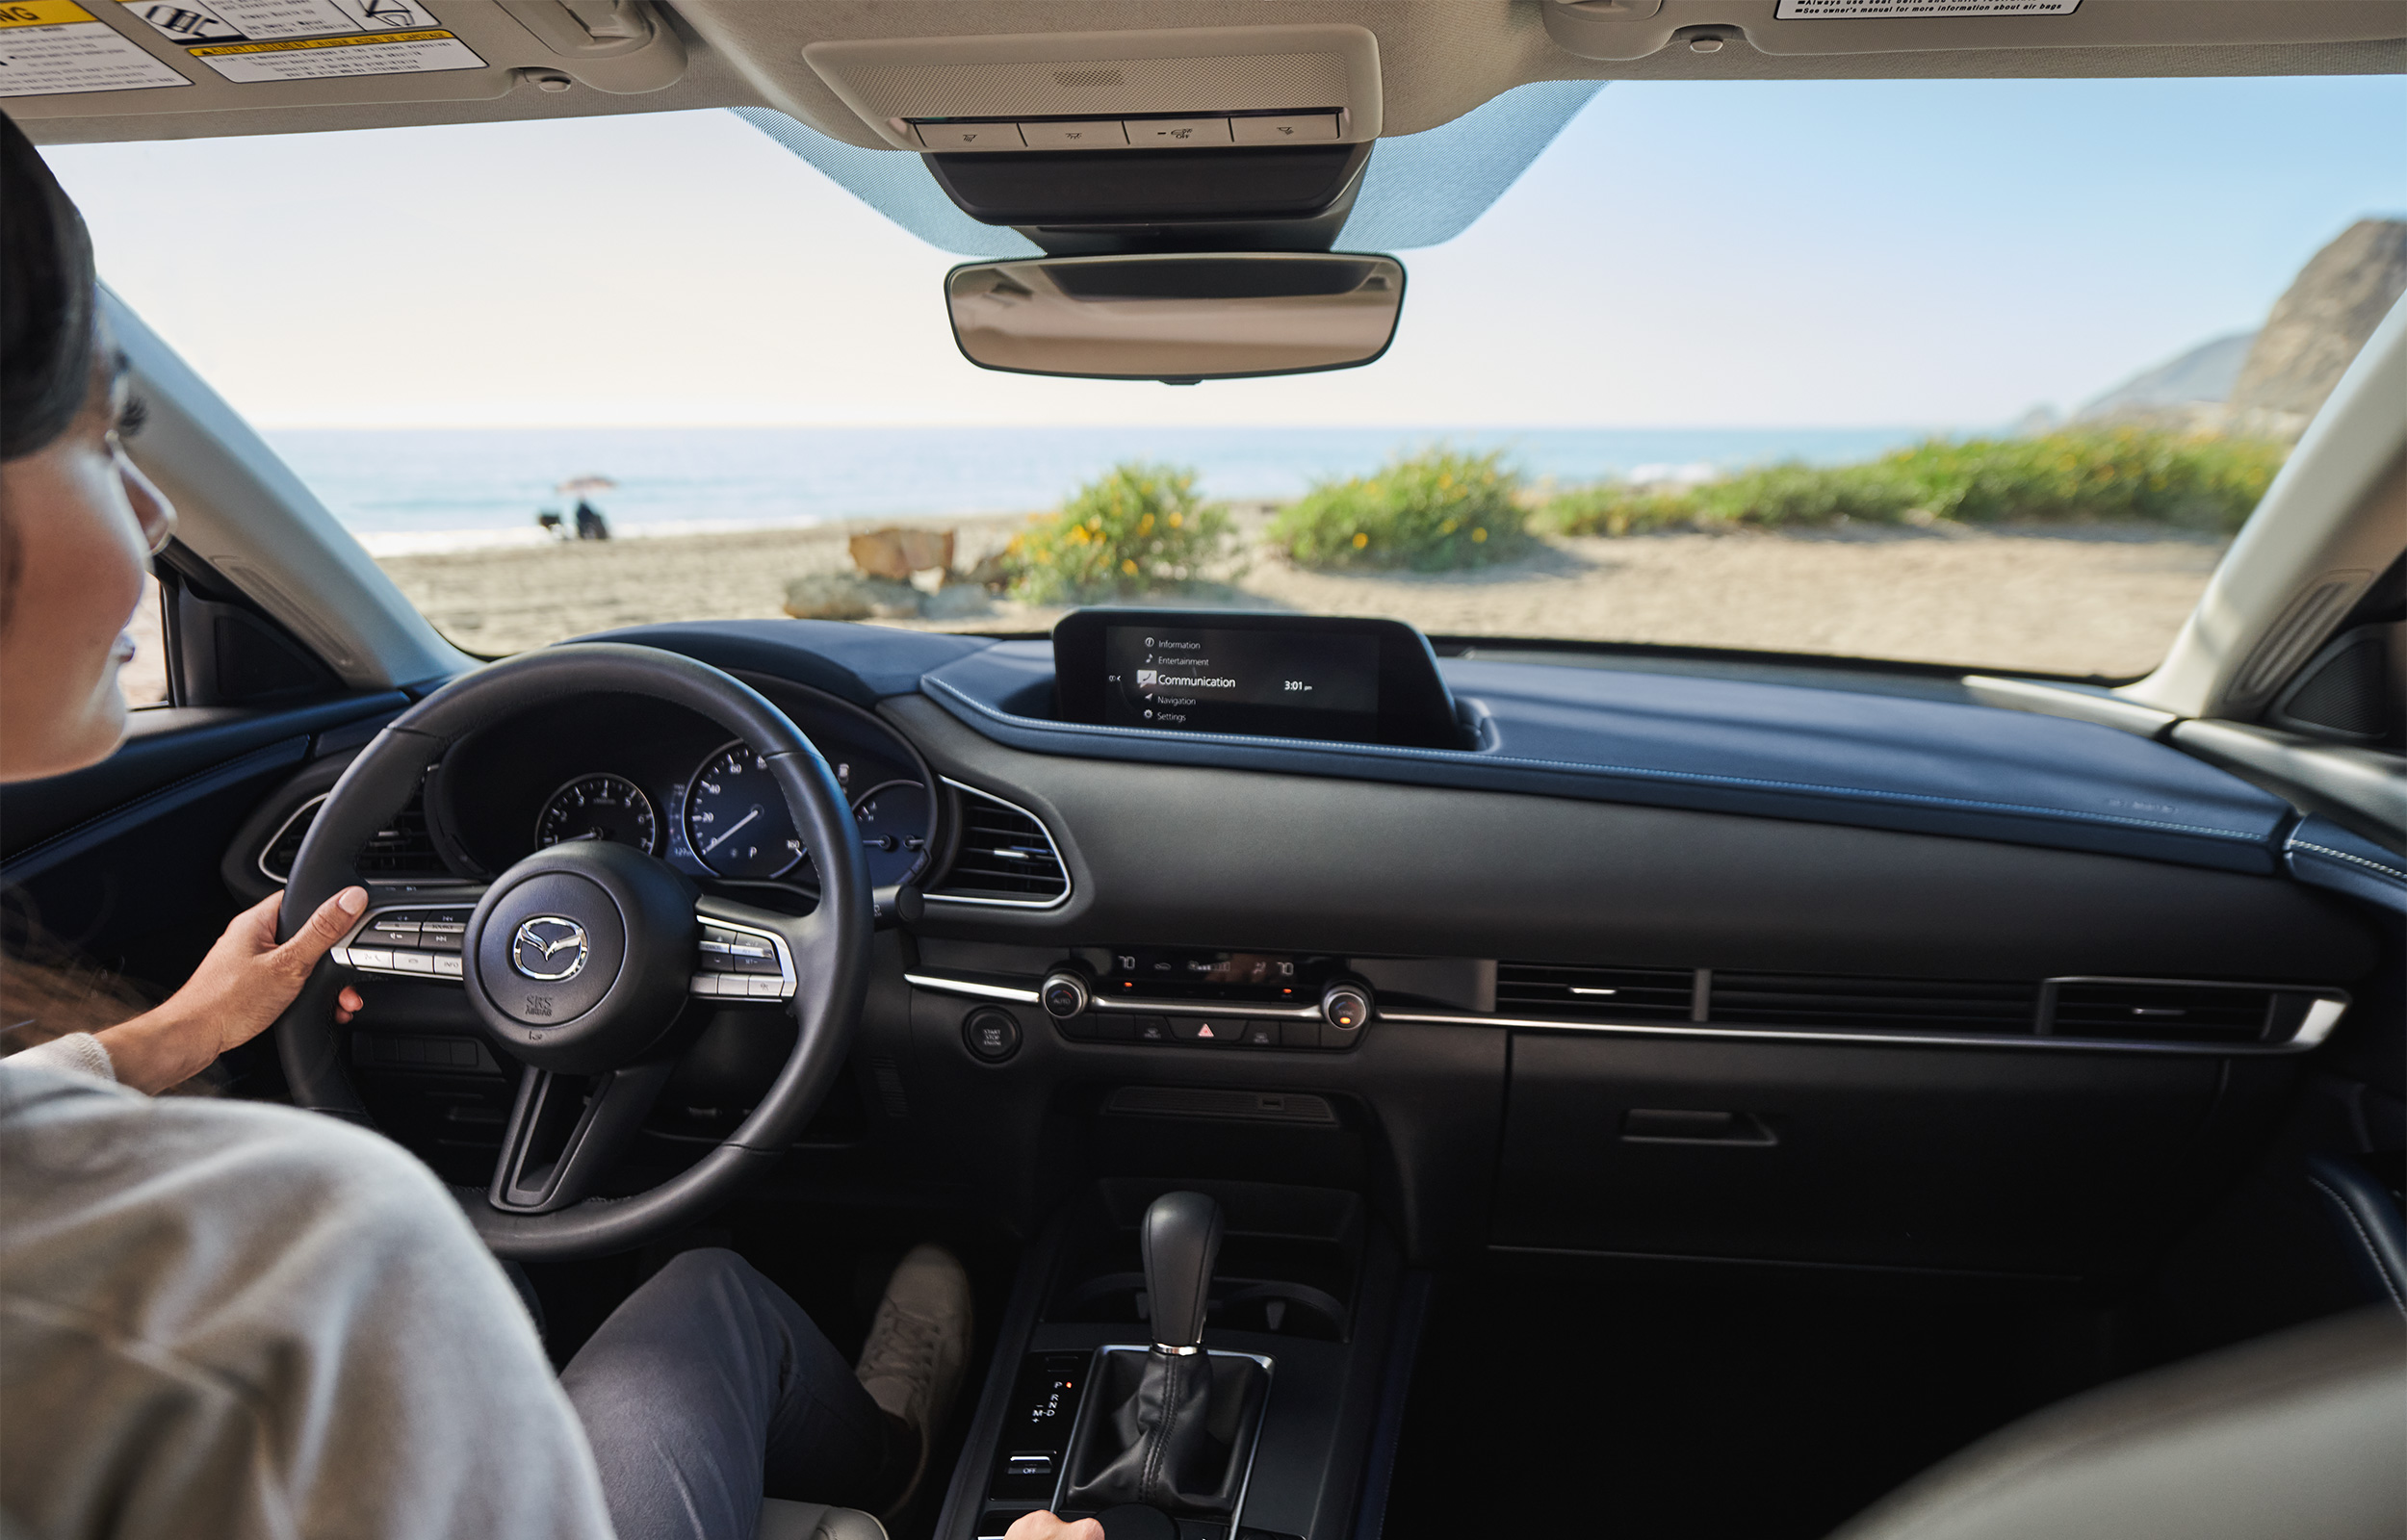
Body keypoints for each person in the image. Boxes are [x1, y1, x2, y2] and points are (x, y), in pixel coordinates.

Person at [0, 111, 992, 1540]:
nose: (158, 514)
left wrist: (162, 1041)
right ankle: (895, 1462)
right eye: (104, 438)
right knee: (709, 1297)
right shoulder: (286, 1265)